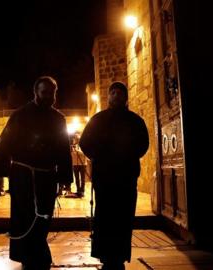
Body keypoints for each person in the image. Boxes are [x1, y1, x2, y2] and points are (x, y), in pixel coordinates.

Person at [0, 76, 73, 270]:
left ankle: (36, 254)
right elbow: (3, 144)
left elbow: (63, 149)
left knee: (44, 216)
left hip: (47, 178)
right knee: (24, 218)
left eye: (52, 93)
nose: (49, 97)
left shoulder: (58, 118)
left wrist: (65, 178)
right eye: (45, 92)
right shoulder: (20, 115)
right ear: (36, 92)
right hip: (23, 177)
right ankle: (31, 257)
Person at [79, 81, 149, 270]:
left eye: (120, 93)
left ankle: (119, 256)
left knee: (124, 218)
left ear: (125, 97)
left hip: (126, 178)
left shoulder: (135, 121)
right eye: (113, 93)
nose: (116, 96)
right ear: (108, 97)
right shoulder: (98, 119)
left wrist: (126, 154)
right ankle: (106, 256)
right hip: (105, 178)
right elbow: (85, 143)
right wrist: (99, 155)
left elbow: (143, 144)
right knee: (105, 218)